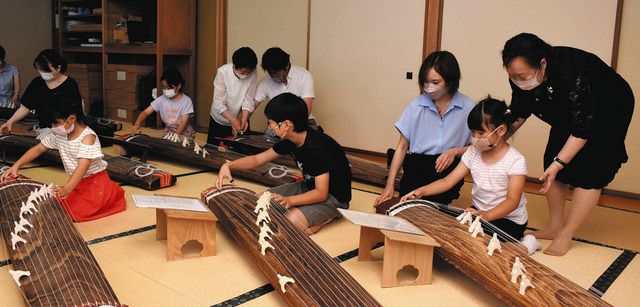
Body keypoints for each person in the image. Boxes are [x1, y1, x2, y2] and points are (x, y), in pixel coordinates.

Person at [502, 33, 634, 256]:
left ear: (542, 64)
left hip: (609, 108)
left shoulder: (572, 73)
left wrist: (559, 163)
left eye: (522, 75)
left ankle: (567, 232)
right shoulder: (521, 77)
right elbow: (519, 113)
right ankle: (555, 226)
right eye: (513, 76)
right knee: (551, 160)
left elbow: (582, 130)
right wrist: (494, 138)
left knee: (592, 172)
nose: (518, 80)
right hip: (568, 111)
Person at [216, 92, 352, 234]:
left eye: (270, 122)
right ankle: (307, 215)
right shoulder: (291, 141)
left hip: (334, 197)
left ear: (286, 125)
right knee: (259, 201)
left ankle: (324, 219)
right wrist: (228, 165)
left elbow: (321, 193)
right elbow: (257, 159)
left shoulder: (317, 148)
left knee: (288, 223)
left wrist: (290, 201)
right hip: (308, 187)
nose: (269, 127)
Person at [401, 97, 529, 240]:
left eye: (481, 133)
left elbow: (512, 201)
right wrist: (421, 191)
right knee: (448, 231)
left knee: (477, 241)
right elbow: (447, 181)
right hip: (478, 213)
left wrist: (487, 215)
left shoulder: (515, 161)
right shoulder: (473, 152)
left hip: (508, 220)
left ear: (501, 130)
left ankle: (527, 243)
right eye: (473, 132)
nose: (475, 138)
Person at [374, 51, 475, 207]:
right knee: (405, 206)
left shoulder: (468, 107)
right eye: (426, 82)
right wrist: (390, 185)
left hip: (447, 168)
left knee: (433, 210)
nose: (429, 88)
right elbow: (402, 146)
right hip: (417, 166)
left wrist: (455, 151)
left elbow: (477, 146)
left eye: (435, 82)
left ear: (450, 80)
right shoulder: (417, 105)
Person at [1, 103, 126, 222]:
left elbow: (82, 166)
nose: (54, 127)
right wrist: (16, 166)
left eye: (56, 124)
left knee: (72, 213)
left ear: (71, 118)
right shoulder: (60, 133)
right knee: (54, 204)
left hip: (95, 183)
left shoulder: (88, 137)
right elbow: (39, 148)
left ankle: (110, 195)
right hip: (77, 182)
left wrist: (67, 189)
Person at [0, 49, 82, 136]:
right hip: (44, 130)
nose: (43, 73)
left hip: (64, 130)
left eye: (47, 70)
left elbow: (76, 112)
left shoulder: (70, 84)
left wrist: (63, 130)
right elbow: (25, 107)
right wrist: (10, 122)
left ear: (58, 68)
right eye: (40, 70)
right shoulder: (37, 83)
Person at [252, 47, 318, 129]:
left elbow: (306, 111)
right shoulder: (266, 80)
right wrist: (243, 118)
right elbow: (252, 105)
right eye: (271, 74)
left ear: (286, 66)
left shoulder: (303, 75)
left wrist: (287, 128)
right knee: (267, 140)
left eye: (277, 74)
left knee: (311, 139)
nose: (274, 77)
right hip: (277, 124)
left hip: (303, 121)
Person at [207, 47, 258, 143]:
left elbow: (248, 99)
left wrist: (244, 118)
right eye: (243, 71)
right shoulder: (223, 72)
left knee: (241, 148)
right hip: (220, 118)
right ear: (235, 66)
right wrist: (232, 120)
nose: (246, 74)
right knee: (215, 149)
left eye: (249, 72)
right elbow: (218, 103)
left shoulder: (253, 72)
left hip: (240, 118)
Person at [131, 68, 195, 138]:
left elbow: (183, 121)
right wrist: (137, 124)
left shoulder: (186, 101)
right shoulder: (161, 99)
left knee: (181, 145)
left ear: (179, 86)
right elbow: (145, 112)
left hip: (183, 131)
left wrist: (175, 135)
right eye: (164, 88)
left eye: (169, 88)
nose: (166, 90)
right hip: (169, 130)